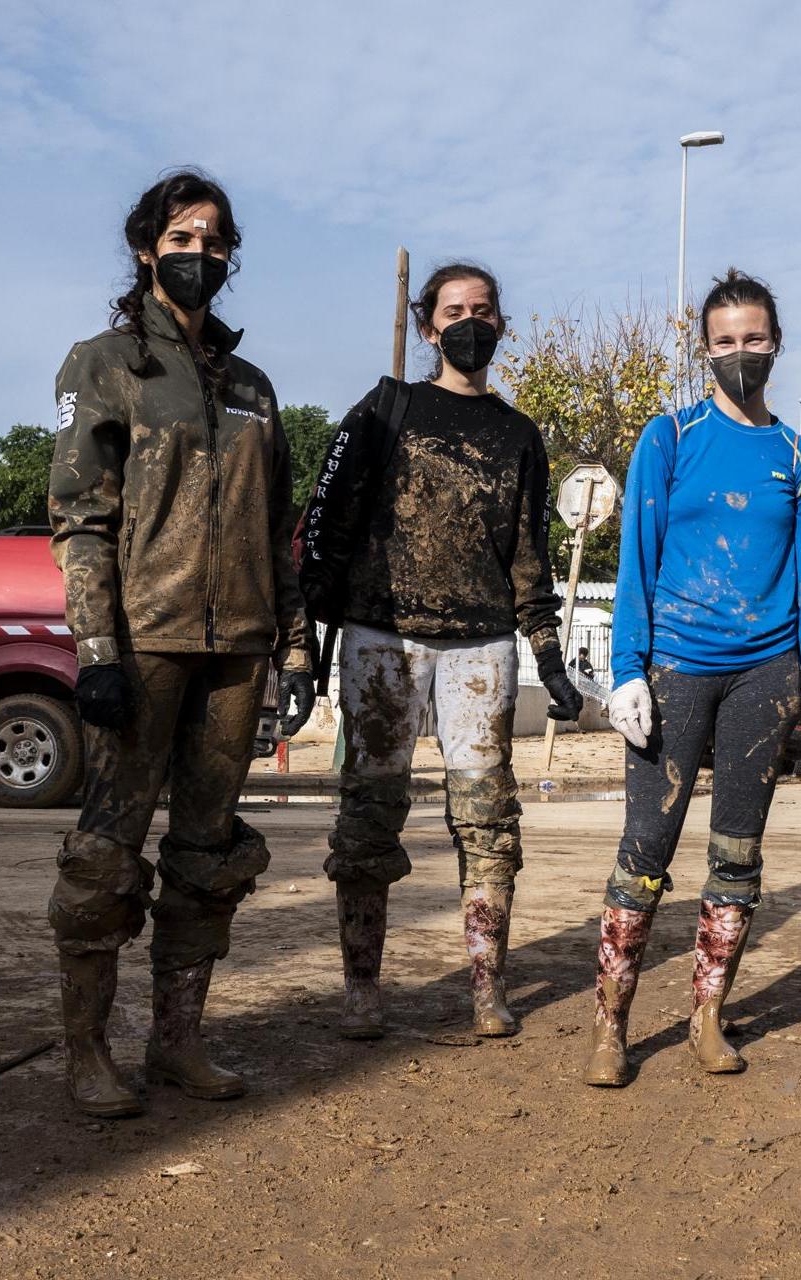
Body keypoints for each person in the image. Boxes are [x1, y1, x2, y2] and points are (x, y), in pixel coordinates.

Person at [46, 170, 314, 1118]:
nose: (198, 254)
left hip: (237, 650)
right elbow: (81, 519)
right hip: (145, 644)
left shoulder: (252, 388)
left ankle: (177, 1044)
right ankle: (85, 1053)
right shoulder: (109, 363)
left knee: (207, 853)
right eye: (181, 237)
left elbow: (280, 531)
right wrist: (98, 651)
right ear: (145, 246)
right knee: (106, 852)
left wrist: (293, 649)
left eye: (214, 240)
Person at [300, 263, 580, 1042]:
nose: (469, 322)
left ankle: (487, 988)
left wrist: (549, 653)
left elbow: (530, 555)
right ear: (428, 327)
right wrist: (301, 643)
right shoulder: (386, 409)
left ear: (501, 324)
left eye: (482, 310)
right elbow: (325, 517)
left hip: (482, 643)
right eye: (454, 311)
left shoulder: (519, 434)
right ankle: (362, 989)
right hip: (381, 635)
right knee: (369, 812)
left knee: (488, 817)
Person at [584, 269, 801, 1087]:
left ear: (777, 343)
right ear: (704, 350)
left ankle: (706, 1016)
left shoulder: (798, 455)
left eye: (755, 338)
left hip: (766, 675)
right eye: (725, 341)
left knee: (737, 855)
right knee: (644, 851)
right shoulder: (670, 438)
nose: (741, 353)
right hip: (676, 672)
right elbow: (636, 561)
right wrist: (626, 670)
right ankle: (610, 1026)